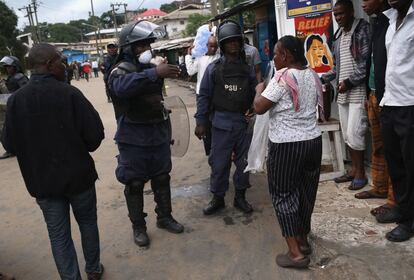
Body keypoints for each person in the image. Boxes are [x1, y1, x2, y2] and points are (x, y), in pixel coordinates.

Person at [1, 43, 105, 279]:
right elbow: (94, 137)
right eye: (60, 61)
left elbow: (9, 143)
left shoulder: (17, 101)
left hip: (42, 183)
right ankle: (94, 270)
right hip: (79, 178)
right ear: (49, 65)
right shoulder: (69, 93)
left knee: (58, 235)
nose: (64, 65)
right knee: (87, 222)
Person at [109, 21, 184, 248]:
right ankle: (138, 226)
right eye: (141, 46)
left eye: (149, 45)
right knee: (134, 182)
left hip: (157, 132)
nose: (147, 50)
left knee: (162, 176)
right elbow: (120, 88)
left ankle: (164, 217)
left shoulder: (150, 66)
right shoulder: (121, 69)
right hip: (133, 137)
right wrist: (153, 73)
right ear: (129, 48)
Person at [254, 36, 324, 269]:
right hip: (312, 142)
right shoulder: (312, 75)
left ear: (286, 55)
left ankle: (295, 254)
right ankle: (302, 241)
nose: (273, 57)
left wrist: (259, 90)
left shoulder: (282, 77)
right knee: (306, 192)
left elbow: (260, 107)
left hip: (286, 146)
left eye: (275, 53)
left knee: (283, 194)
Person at [194, 20, 257, 215]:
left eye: (236, 41)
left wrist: (253, 108)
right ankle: (218, 197)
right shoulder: (214, 69)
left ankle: (240, 197)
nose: (233, 45)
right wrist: (201, 122)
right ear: (222, 45)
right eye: (228, 42)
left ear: (240, 42)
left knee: (244, 163)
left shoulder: (247, 69)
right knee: (219, 163)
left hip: (243, 123)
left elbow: (255, 91)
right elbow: (203, 96)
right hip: (221, 123)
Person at [322, 0, 371, 190]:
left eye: (341, 14)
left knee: (355, 132)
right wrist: (321, 78)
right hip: (343, 93)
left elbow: (365, 63)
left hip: (357, 91)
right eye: (336, 15)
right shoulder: (338, 35)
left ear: (351, 11)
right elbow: (337, 67)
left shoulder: (362, 29)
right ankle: (353, 170)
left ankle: (360, 173)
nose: (338, 18)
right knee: (347, 135)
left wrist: (349, 82)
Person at [358, 0, 399, 224]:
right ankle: (380, 187)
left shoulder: (396, 21)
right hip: (374, 94)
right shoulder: (377, 23)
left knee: (394, 151)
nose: (363, 2)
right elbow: (371, 62)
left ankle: (395, 201)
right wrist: (368, 92)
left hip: (389, 97)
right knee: (379, 146)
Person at [379, 0, 414, 242]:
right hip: (389, 104)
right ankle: (404, 211)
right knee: (397, 166)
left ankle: (408, 222)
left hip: (410, 105)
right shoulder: (391, 20)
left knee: (412, 167)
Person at [0, 55, 28, 160]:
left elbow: (24, 92)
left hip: (18, 108)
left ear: (15, 67)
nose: (7, 69)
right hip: (11, 107)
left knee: (6, 131)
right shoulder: (11, 78)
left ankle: (11, 150)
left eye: (10, 67)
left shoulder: (19, 77)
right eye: (6, 67)